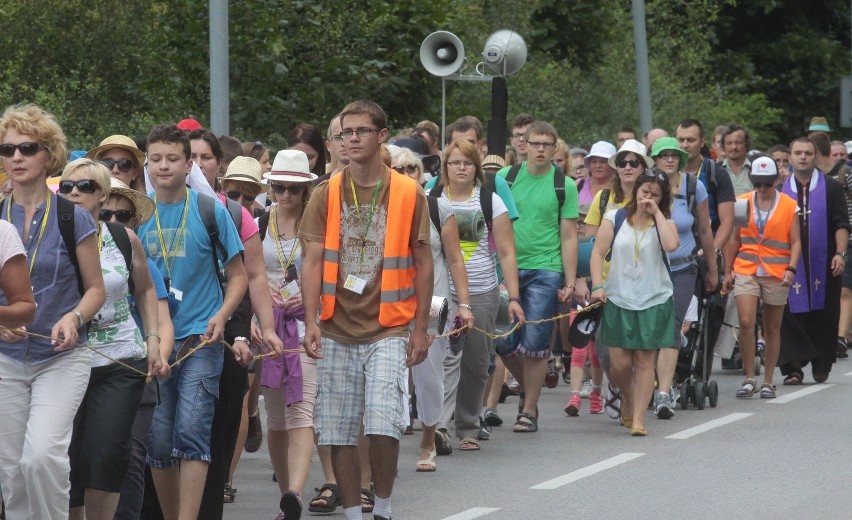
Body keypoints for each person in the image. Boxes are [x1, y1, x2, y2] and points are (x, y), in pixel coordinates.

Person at [299, 100, 433, 520]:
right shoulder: (326, 191)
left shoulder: (410, 192)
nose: (351, 140)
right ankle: (355, 513)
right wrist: (310, 321)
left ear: (381, 136)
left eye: (359, 131)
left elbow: (424, 262)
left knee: (382, 422)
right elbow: (313, 261)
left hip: (389, 326)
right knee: (337, 427)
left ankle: (385, 506)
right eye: (344, 133)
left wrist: (421, 329)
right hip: (336, 326)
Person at [0, 103, 105, 520]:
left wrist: (74, 318)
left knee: (41, 458)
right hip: (5, 359)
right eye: (7, 150)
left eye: (27, 148)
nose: (16, 158)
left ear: (50, 155)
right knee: (12, 473)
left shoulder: (71, 216)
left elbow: (96, 289)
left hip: (61, 357)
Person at [140, 124, 248, 520]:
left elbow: (239, 275)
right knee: (158, 437)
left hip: (201, 339)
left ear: (189, 165)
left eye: (172, 159)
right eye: (156, 159)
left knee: (192, 429)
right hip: (154, 341)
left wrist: (222, 316)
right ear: (146, 165)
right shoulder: (137, 216)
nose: (163, 166)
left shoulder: (209, 210)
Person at [60, 159, 162, 520]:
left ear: (102, 196)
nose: (74, 193)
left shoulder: (122, 237)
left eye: (85, 187)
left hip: (120, 361)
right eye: (67, 187)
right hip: (60, 361)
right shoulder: (48, 239)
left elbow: (147, 290)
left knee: (106, 453)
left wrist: (153, 338)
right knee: (67, 457)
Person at [431, 140, 522, 452]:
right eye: (454, 162)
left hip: (483, 290)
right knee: (441, 358)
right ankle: (438, 425)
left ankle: (468, 424)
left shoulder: (490, 201)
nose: (460, 168)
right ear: (444, 168)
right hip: (439, 293)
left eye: (467, 163)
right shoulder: (431, 200)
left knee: (477, 361)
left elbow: (508, 253)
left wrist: (513, 297)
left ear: (476, 169)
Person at [392, 145, 474, 470]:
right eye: (397, 170)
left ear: (422, 174)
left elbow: (455, 259)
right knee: (392, 376)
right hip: (390, 308)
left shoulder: (439, 208)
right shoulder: (380, 211)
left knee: (428, 378)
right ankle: (388, 443)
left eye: (411, 169)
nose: (405, 175)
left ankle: (428, 438)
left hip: (434, 307)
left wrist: (464, 305)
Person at [497, 121, 579, 434]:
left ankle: (529, 408)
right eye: (535, 143)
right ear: (523, 145)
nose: (540, 149)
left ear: (555, 148)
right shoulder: (506, 177)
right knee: (503, 341)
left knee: (535, 341)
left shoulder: (564, 185)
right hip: (509, 266)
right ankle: (528, 387)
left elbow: (569, 235)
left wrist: (569, 281)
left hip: (547, 267)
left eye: (547, 144)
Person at [101, 176, 175, 520]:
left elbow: (160, 315)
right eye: (106, 214)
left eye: (122, 216)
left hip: (134, 370)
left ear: (134, 222)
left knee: (129, 459)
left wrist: (157, 351)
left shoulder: (137, 255)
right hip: (81, 370)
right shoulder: (72, 253)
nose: (113, 222)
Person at [589, 169, 679, 435]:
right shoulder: (614, 218)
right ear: (635, 191)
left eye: (654, 195)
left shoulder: (665, 222)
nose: (647, 198)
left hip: (654, 298)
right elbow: (597, 252)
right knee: (618, 364)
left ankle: (638, 419)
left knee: (643, 362)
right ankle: (629, 399)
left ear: (662, 199)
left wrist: (658, 214)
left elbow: (672, 245)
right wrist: (597, 285)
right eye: (644, 192)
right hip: (618, 296)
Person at [256, 150, 318, 520]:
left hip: (305, 325)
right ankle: (286, 496)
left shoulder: (316, 225)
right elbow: (252, 274)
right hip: (270, 327)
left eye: (293, 188)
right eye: (278, 187)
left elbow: (328, 274)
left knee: (302, 412)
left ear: (305, 189)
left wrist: (314, 315)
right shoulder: (259, 221)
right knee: (276, 419)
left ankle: (296, 490)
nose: (285, 195)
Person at [576, 139, 655, 417]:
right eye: (622, 162)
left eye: (634, 162)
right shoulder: (604, 198)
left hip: (644, 285)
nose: (628, 167)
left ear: (644, 167)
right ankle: (623, 388)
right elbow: (588, 242)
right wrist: (583, 279)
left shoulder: (653, 197)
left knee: (639, 349)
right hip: (608, 285)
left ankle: (634, 402)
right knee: (606, 352)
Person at [649, 137, 718, 419]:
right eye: (663, 155)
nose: (669, 159)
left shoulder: (693, 186)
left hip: (684, 268)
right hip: (651, 269)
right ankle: (648, 385)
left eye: (674, 155)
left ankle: (664, 393)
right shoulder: (648, 187)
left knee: (671, 326)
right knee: (650, 328)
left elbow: (705, 230)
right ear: (654, 159)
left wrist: (712, 269)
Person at [722, 157, 801, 399]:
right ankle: (749, 378)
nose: (762, 189)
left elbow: (796, 241)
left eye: (767, 183)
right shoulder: (742, 203)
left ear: (776, 180)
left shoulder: (789, 205)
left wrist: (791, 268)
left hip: (777, 272)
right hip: (747, 267)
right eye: (758, 183)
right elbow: (734, 239)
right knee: (746, 321)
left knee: (771, 327)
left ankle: (768, 381)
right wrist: (728, 270)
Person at [779, 137, 850, 384]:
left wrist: (840, 254)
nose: (803, 157)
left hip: (825, 259)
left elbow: (842, 223)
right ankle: (794, 367)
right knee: (788, 314)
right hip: (789, 260)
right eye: (798, 152)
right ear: (790, 157)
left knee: (825, 312)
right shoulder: (780, 189)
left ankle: (822, 362)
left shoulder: (831, 187)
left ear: (816, 157)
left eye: (808, 153)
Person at [721, 124, 753, 195]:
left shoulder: (755, 169)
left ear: (746, 144)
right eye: (729, 143)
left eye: (738, 143)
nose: (734, 147)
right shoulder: (715, 170)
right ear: (723, 146)